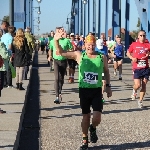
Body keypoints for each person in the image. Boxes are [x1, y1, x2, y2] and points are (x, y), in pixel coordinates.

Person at [54, 28, 112, 150]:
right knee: (86, 116)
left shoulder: (102, 57)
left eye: (92, 45)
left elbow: (106, 71)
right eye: (88, 45)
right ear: (84, 45)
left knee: (97, 117)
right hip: (84, 90)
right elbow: (60, 53)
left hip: (97, 90)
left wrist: (108, 86)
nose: (90, 47)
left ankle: (93, 128)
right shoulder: (79, 55)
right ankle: (85, 139)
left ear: (95, 45)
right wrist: (56, 41)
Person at [48, 27, 73, 104]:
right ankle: (57, 96)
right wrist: (50, 56)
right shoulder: (53, 41)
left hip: (64, 61)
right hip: (56, 60)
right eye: (59, 31)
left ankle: (60, 91)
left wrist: (66, 52)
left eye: (62, 31)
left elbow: (71, 49)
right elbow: (50, 49)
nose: (61, 33)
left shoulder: (67, 41)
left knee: (61, 78)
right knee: (56, 78)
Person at [127, 30, 150, 108]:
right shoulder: (134, 44)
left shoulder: (148, 45)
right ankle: (134, 90)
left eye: (144, 35)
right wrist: (132, 58)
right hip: (137, 68)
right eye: (141, 35)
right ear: (138, 36)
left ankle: (140, 101)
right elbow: (128, 53)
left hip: (145, 68)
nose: (142, 37)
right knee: (137, 85)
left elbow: (149, 52)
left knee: (144, 85)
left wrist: (148, 54)